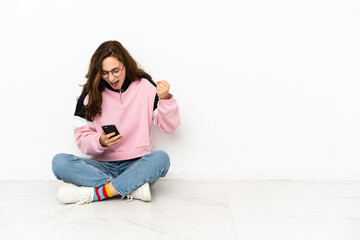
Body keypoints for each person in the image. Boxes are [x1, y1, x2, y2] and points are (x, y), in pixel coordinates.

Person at [52, 40, 180, 204]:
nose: (111, 78)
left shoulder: (145, 85)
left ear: (125, 65)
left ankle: (97, 193)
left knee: (161, 159)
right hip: (102, 166)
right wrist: (100, 141)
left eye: (115, 71)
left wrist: (164, 99)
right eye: (105, 73)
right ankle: (130, 188)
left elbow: (169, 127)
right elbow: (82, 139)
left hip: (137, 164)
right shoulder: (91, 92)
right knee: (59, 162)